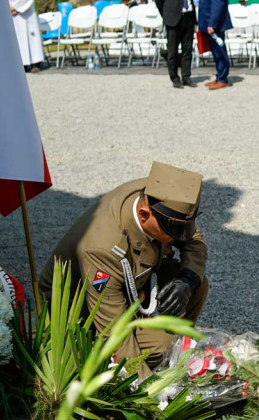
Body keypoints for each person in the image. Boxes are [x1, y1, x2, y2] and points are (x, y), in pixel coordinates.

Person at [37, 162, 209, 378]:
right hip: (83, 313)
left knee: (197, 284)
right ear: (144, 214)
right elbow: (113, 330)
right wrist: (148, 390)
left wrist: (187, 279)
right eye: (173, 230)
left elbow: (192, 239)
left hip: (133, 286)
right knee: (160, 346)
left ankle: (173, 357)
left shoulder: (162, 195)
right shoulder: (102, 249)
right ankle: (148, 365)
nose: (179, 236)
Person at [155, 0, 197, 89]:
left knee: (187, 49)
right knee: (172, 51)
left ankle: (186, 76)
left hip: (188, 17)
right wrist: (166, 14)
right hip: (173, 19)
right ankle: (174, 77)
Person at [3, 0, 46, 72]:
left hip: (25, 13)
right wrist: (8, 7)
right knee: (17, 39)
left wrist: (16, 7)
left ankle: (35, 63)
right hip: (11, 14)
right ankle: (21, 64)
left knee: (30, 37)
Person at [198, 0, 233, 90]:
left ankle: (222, 78)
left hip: (215, 24)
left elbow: (217, 4)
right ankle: (220, 76)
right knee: (216, 50)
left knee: (219, 51)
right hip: (213, 22)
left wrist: (212, 23)